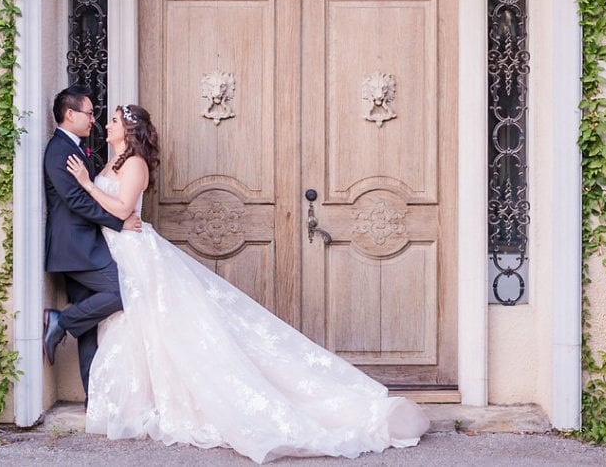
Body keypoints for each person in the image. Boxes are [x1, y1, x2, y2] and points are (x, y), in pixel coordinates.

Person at [64, 104, 430, 464]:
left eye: (112, 121)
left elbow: (123, 209)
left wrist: (84, 184)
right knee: (137, 324)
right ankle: (143, 399)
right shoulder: (111, 163)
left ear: (128, 131)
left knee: (162, 323)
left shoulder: (135, 164)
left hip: (136, 249)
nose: (106, 125)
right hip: (118, 250)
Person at [42, 85, 141, 402]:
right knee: (122, 290)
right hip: (75, 248)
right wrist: (119, 222)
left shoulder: (78, 149)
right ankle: (60, 320)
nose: (94, 120)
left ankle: (93, 399)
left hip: (88, 245)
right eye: (89, 113)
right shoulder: (59, 150)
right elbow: (74, 200)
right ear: (69, 114)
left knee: (90, 325)